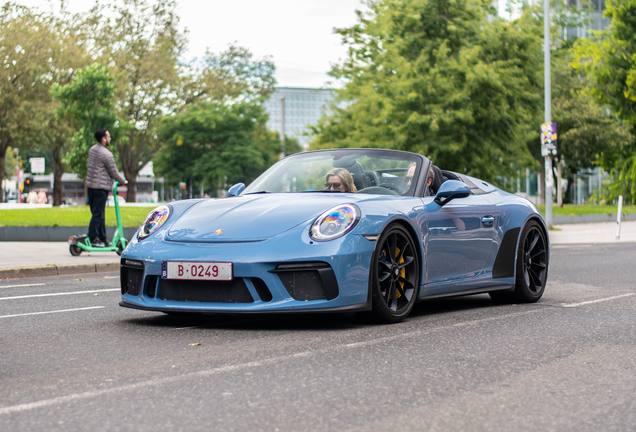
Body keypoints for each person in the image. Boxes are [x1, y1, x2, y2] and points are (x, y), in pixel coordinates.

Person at [86, 129, 127, 247]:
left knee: (97, 214)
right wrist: (123, 181)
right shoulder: (106, 154)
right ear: (103, 139)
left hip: (91, 187)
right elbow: (113, 172)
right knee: (99, 214)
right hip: (101, 188)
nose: (110, 139)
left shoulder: (92, 150)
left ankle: (103, 238)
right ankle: (93, 237)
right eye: (108, 137)